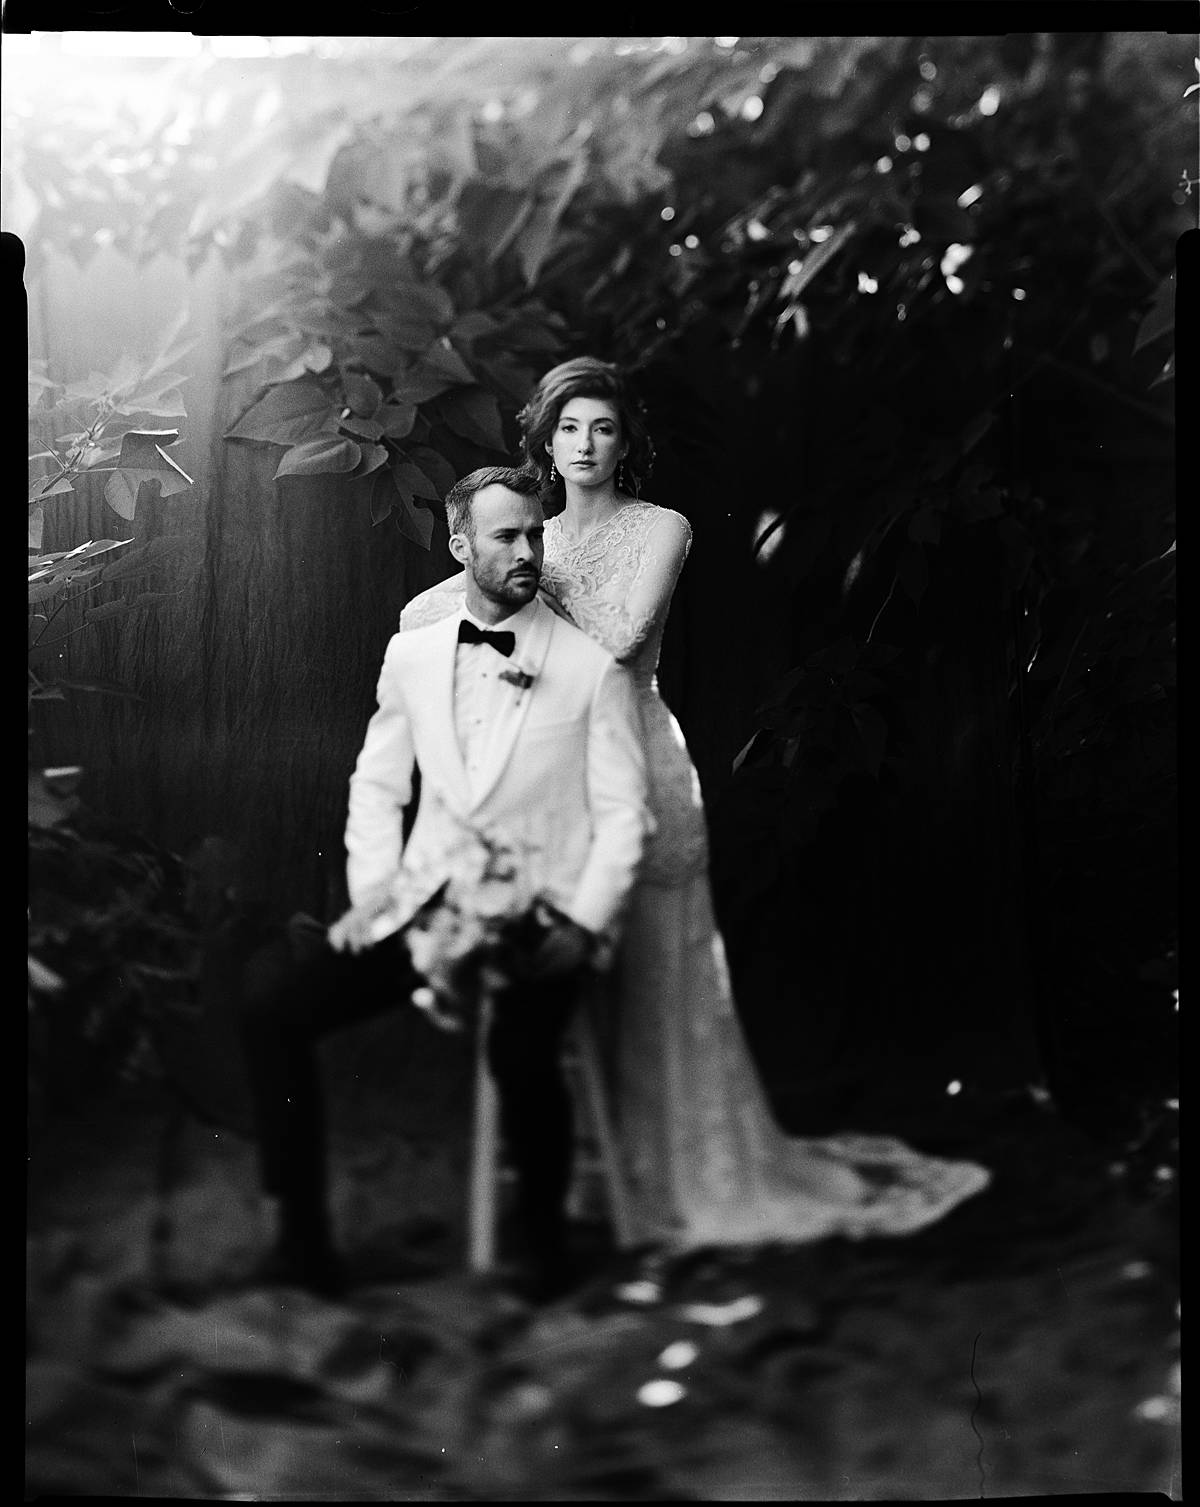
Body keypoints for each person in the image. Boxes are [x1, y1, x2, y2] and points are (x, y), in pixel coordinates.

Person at [399, 357, 992, 1251]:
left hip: (637, 758)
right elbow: (425, 616)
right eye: (568, 429)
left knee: (659, 975)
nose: (586, 445)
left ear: (627, 441)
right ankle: (601, 1174)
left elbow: (621, 642)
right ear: (545, 442)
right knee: (575, 977)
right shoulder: (530, 533)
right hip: (557, 772)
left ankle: (690, 1171)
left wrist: (516, 613)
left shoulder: (660, 528)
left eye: (603, 428)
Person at [238, 464, 651, 1299]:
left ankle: (546, 1248)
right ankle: (303, 1239)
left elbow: (624, 814)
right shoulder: (413, 654)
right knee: (270, 1005)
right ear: (461, 545)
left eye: (535, 533)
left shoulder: (588, 670)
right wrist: (375, 896)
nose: (529, 548)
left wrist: (582, 922)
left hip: (539, 909)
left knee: (524, 1050)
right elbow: (377, 784)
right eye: (507, 535)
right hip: (423, 901)